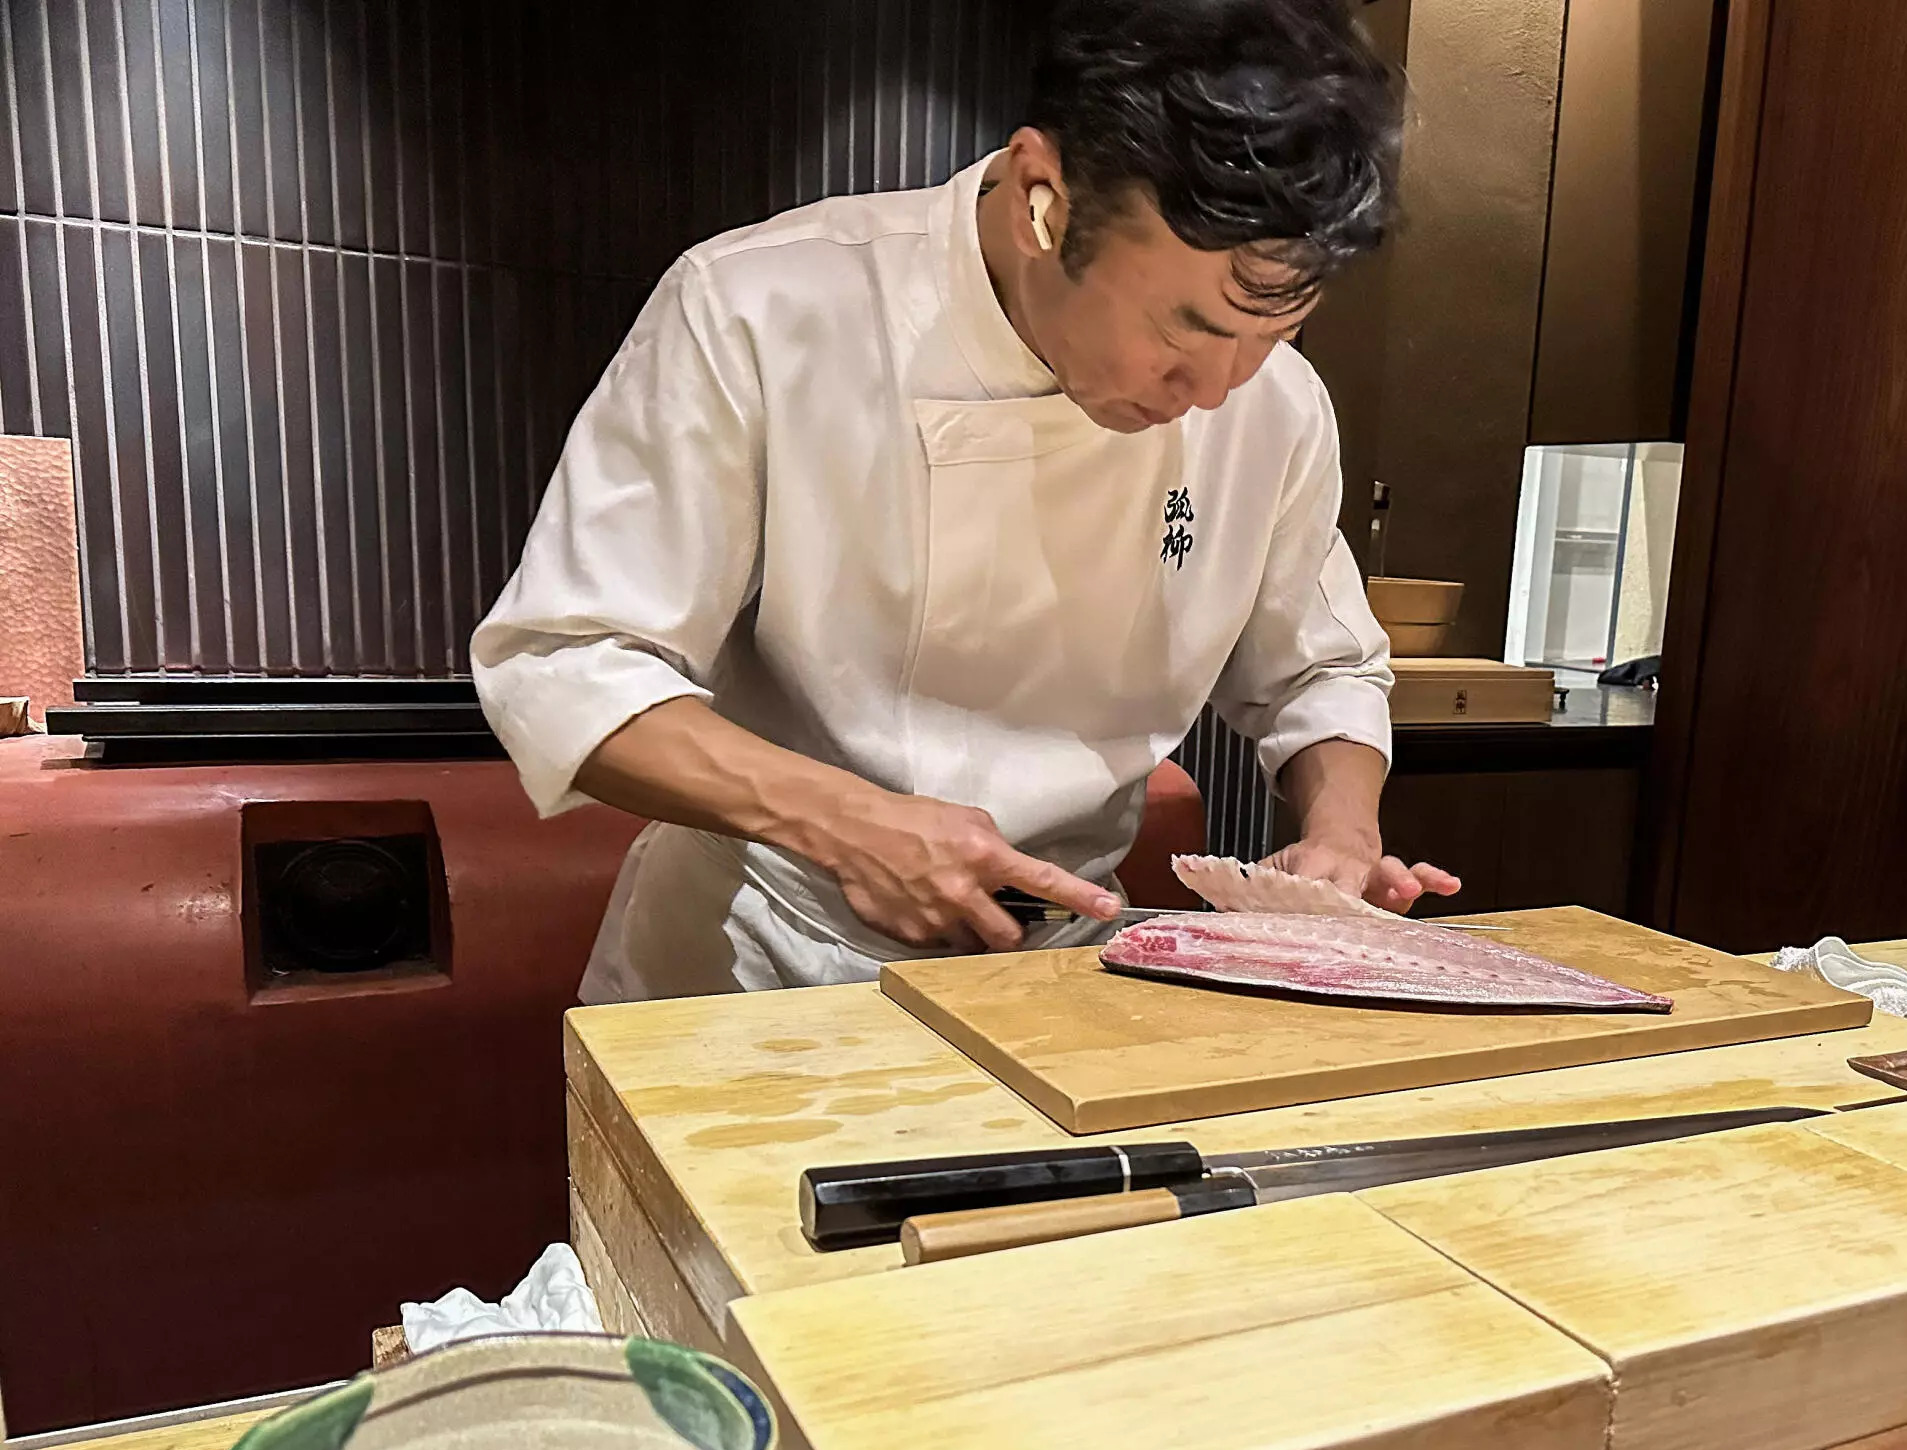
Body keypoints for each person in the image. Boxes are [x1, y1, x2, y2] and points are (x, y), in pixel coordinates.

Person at [472, 0, 1456, 1003]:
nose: (1214, 392)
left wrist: (1341, 835)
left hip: (1061, 970)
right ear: (1041, 197)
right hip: (758, 960)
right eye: (1182, 331)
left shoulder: (1275, 406)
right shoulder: (761, 307)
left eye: (1270, 338)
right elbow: (568, 663)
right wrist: (842, 820)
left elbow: (1321, 669)